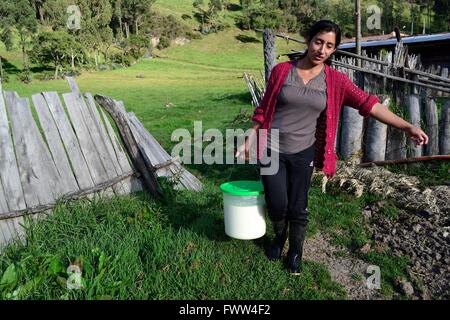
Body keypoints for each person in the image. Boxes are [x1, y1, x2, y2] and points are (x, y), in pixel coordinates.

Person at [235, 20, 429, 274]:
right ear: (308, 40)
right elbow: (264, 109)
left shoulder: (335, 81)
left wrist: (406, 126)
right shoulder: (281, 71)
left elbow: (369, 104)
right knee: (276, 203)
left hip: (303, 150)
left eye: (329, 46)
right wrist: (251, 134)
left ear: (334, 49)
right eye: (318, 42)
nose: (322, 50)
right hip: (271, 149)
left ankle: (295, 251)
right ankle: (279, 236)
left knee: (297, 205)